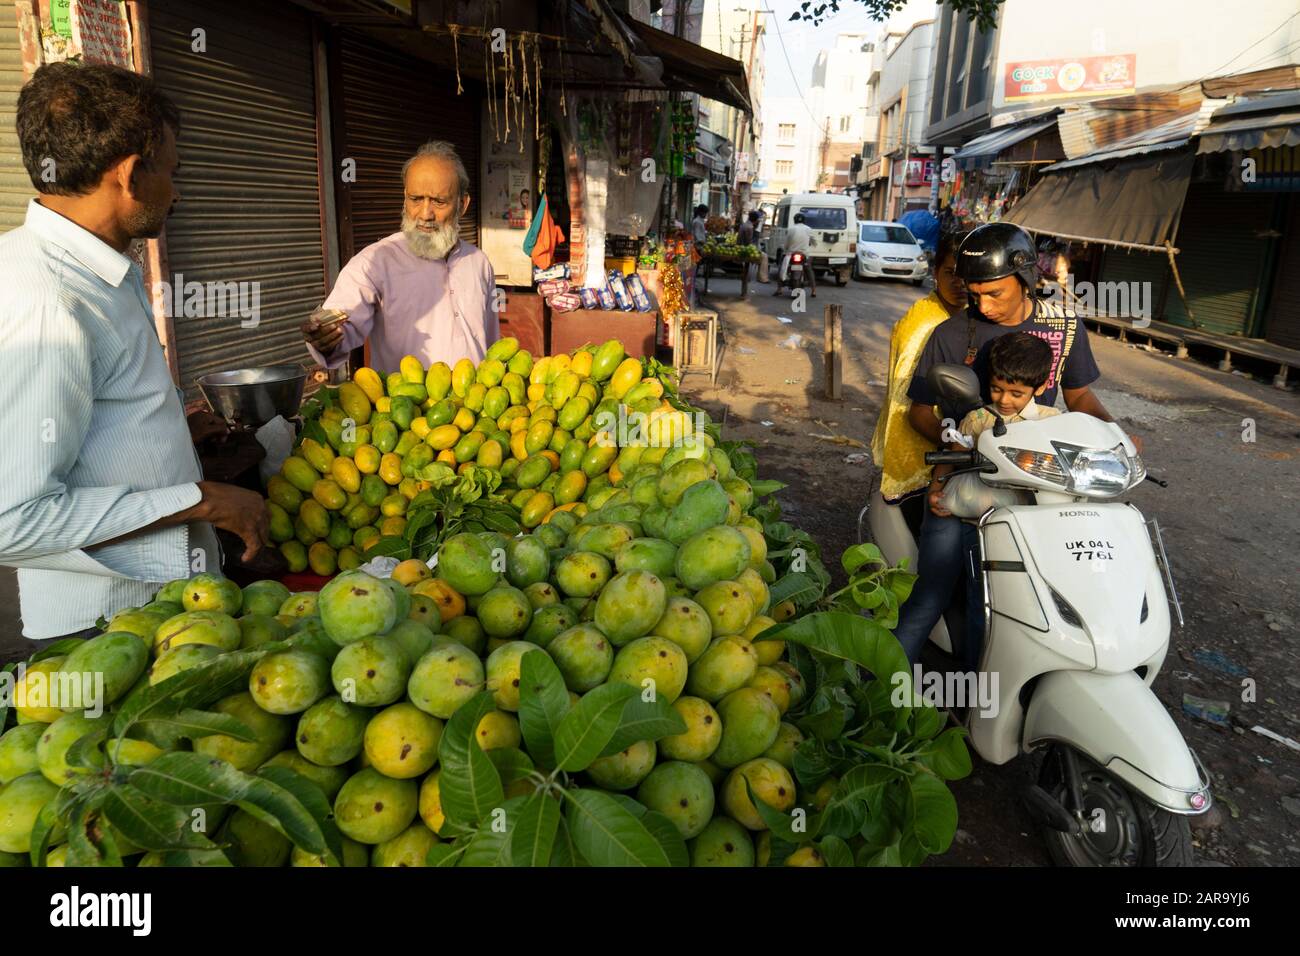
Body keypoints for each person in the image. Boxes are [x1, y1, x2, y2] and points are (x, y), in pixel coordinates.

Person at [0, 63, 268, 642]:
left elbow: (88, 421)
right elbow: (14, 521)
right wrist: (200, 502)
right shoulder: (47, 301)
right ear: (128, 175)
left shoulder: (98, 268)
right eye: (172, 170)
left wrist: (170, 430)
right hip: (109, 628)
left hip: (165, 608)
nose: (178, 190)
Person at [893, 222, 1139, 665]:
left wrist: (1115, 436)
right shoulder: (950, 335)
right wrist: (965, 449)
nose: (982, 306)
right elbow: (918, 412)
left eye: (995, 294)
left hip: (1034, 486)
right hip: (962, 481)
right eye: (975, 294)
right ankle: (878, 692)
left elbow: (1079, 396)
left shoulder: (1062, 327)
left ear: (1025, 279)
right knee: (931, 591)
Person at [302, 141, 499, 374]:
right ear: (405, 197)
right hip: (407, 407)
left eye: (438, 201)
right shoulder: (374, 263)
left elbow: (492, 343)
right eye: (416, 199)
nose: (425, 214)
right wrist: (326, 337)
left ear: (462, 204)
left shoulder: (479, 263)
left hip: (476, 406)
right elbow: (342, 322)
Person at [927, 333, 1061, 671]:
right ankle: (976, 674)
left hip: (1033, 535)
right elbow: (952, 457)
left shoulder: (1052, 421)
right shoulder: (978, 419)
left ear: (1040, 387)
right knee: (982, 604)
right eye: (997, 388)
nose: (1004, 399)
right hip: (983, 531)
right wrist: (938, 488)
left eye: (1016, 393)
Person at [870, 230, 968, 533]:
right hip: (923, 454)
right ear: (935, 273)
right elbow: (910, 405)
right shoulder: (927, 324)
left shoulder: (955, 315)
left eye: (966, 274)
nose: (959, 283)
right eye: (950, 273)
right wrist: (957, 451)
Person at [773, 211, 817, 298]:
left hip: (791, 254)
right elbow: (814, 241)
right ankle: (813, 290)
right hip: (804, 254)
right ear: (804, 221)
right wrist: (812, 244)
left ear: (795, 220)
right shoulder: (808, 229)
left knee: (782, 267)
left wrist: (785, 250)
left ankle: (779, 289)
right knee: (808, 269)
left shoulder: (791, 229)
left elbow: (787, 243)